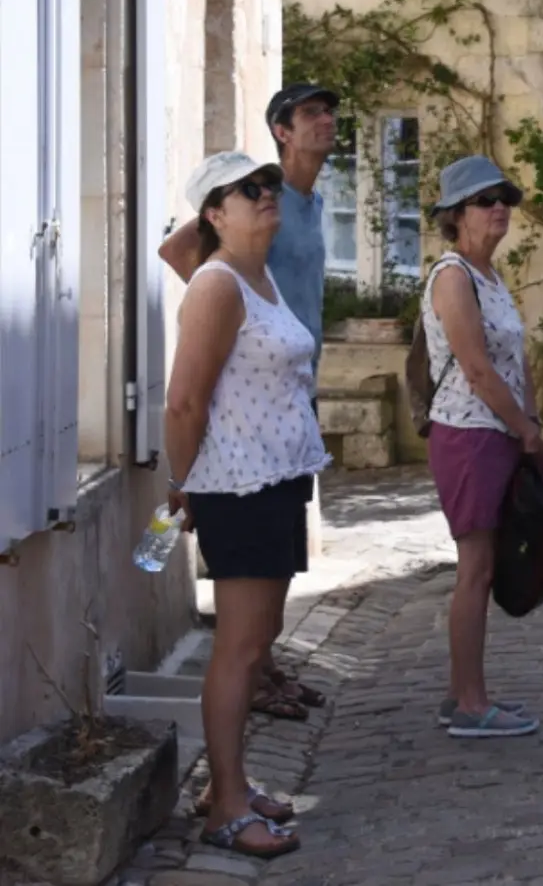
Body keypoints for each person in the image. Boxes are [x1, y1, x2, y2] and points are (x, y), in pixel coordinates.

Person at [166, 152, 331, 858]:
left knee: (257, 648)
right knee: (237, 652)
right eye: (246, 190)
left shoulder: (257, 275)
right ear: (213, 212)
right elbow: (183, 401)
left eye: (268, 185)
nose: (267, 195)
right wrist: (184, 485)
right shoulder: (216, 284)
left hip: (277, 482)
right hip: (237, 489)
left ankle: (226, 782)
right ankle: (225, 809)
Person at [422, 155, 542, 738]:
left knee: (485, 565)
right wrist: (523, 427)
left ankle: (461, 693)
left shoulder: (490, 276)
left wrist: (530, 420)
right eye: (484, 200)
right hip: (469, 435)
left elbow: (517, 358)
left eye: (505, 199)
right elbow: (475, 368)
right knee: (475, 567)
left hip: (496, 433)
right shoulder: (453, 276)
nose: (499, 208)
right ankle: (470, 702)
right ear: (455, 215)